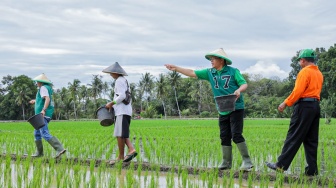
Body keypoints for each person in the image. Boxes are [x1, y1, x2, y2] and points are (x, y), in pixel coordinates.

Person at [165, 48, 254, 171]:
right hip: (222, 107)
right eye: (210, 59)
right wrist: (176, 68)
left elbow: (244, 83)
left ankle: (247, 162)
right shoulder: (210, 72)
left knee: (236, 134)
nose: (211, 61)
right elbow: (192, 73)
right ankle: (226, 163)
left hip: (236, 106)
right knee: (224, 135)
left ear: (221, 60)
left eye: (213, 59)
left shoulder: (233, 71)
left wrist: (239, 90)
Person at [266, 49, 323, 176]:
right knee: (311, 139)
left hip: (304, 106)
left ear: (303, 60)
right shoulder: (319, 73)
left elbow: (297, 91)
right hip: (315, 106)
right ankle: (312, 170)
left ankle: (281, 165)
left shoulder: (305, 72)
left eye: (299, 61)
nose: (299, 63)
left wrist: (285, 103)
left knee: (294, 135)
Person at [103, 62, 137, 164]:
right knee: (122, 133)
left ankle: (121, 157)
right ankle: (131, 150)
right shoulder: (124, 80)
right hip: (125, 110)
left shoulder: (119, 81)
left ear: (115, 73)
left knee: (120, 134)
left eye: (111, 73)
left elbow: (122, 96)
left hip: (122, 111)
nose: (110, 75)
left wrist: (111, 103)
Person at [29, 73, 66, 158]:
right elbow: (44, 98)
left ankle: (59, 148)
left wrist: (43, 110)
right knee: (37, 133)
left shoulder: (43, 88)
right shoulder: (47, 88)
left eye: (37, 82)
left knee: (44, 132)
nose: (36, 83)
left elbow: (47, 99)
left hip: (42, 115)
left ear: (40, 82)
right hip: (41, 115)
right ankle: (39, 153)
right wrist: (35, 101)